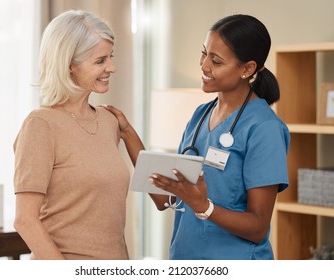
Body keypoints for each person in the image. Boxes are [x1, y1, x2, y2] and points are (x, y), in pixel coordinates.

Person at [105, 14, 290, 260]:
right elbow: (165, 198)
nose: (204, 66)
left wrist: (204, 207)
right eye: (204, 54)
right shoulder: (200, 116)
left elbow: (258, 228)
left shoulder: (264, 127)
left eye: (216, 61)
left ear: (248, 69)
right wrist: (128, 133)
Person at [13, 10, 131, 260]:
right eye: (100, 61)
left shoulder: (108, 121)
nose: (112, 67)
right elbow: (25, 220)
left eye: (111, 57)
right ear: (69, 65)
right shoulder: (40, 125)